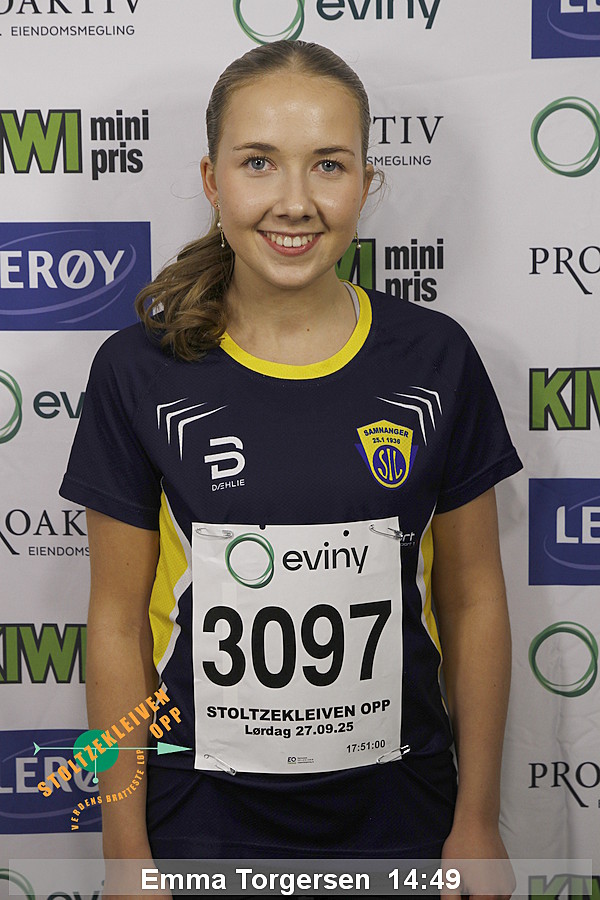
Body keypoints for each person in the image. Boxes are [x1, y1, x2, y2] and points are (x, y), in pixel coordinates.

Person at [60, 39, 521, 895]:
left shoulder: (437, 358)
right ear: (212, 181)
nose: (296, 201)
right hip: (198, 820)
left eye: (329, 165)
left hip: (403, 815)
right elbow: (117, 625)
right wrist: (126, 855)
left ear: (367, 182)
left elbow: (474, 602)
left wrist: (478, 821)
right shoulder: (137, 370)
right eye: (259, 162)